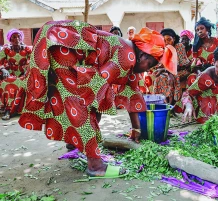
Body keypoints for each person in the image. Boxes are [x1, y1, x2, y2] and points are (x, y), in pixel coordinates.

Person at [18, 20, 177, 178]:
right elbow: (96, 86)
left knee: (79, 101)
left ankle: (75, 141)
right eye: (149, 65)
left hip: (57, 38)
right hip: (62, 42)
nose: (147, 70)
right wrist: (93, 114)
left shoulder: (129, 53)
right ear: (143, 55)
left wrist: (136, 129)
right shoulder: (127, 56)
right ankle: (95, 165)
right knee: (81, 104)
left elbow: (132, 92)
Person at [0, 29, 32, 120]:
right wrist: (3, 69)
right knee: (6, 83)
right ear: (10, 39)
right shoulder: (6, 49)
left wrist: (28, 69)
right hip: (10, 75)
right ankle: (8, 110)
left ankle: (22, 110)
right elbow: (0, 62)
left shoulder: (27, 49)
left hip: (24, 74)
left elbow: (31, 62)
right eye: (14, 37)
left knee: (22, 82)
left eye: (19, 37)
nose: (17, 39)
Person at [153, 28, 190, 104]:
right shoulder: (163, 48)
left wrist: (163, 70)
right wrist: (161, 69)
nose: (167, 42)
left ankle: (172, 103)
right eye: (164, 40)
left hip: (181, 70)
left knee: (171, 78)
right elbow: (159, 65)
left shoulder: (179, 46)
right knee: (159, 78)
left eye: (169, 39)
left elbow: (180, 65)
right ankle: (163, 102)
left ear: (174, 38)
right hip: (168, 71)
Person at [188, 17, 218, 85]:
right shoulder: (196, 47)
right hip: (203, 71)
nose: (200, 31)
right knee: (192, 78)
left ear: (208, 29)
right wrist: (200, 73)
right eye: (197, 30)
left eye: (202, 28)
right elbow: (195, 66)